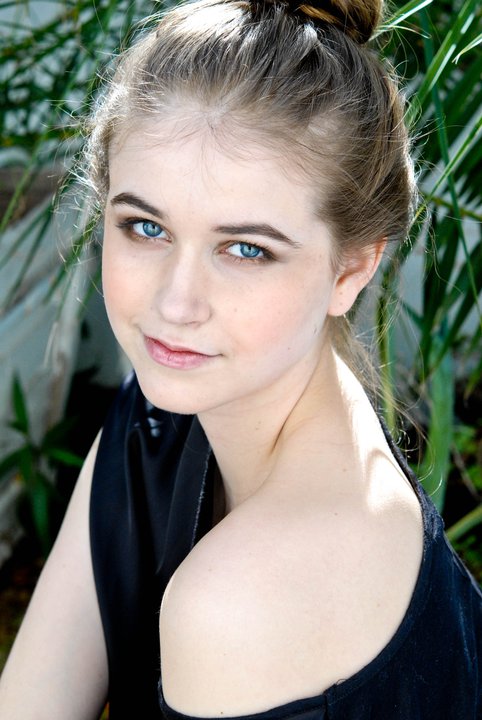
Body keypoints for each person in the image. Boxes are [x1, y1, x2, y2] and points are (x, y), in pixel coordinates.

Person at [1, 0, 481, 717]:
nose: (176, 303)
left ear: (352, 269)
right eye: (145, 227)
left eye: (246, 249)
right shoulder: (159, 419)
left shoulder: (247, 597)